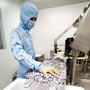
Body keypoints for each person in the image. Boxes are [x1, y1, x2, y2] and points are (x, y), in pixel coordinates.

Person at [10, 2, 59, 79]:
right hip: (23, 74)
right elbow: (18, 53)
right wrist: (39, 66)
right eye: (31, 19)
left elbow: (30, 54)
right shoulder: (15, 32)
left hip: (32, 70)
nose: (33, 22)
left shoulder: (28, 34)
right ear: (24, 16)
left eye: (35, 19)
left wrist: (37, 65)